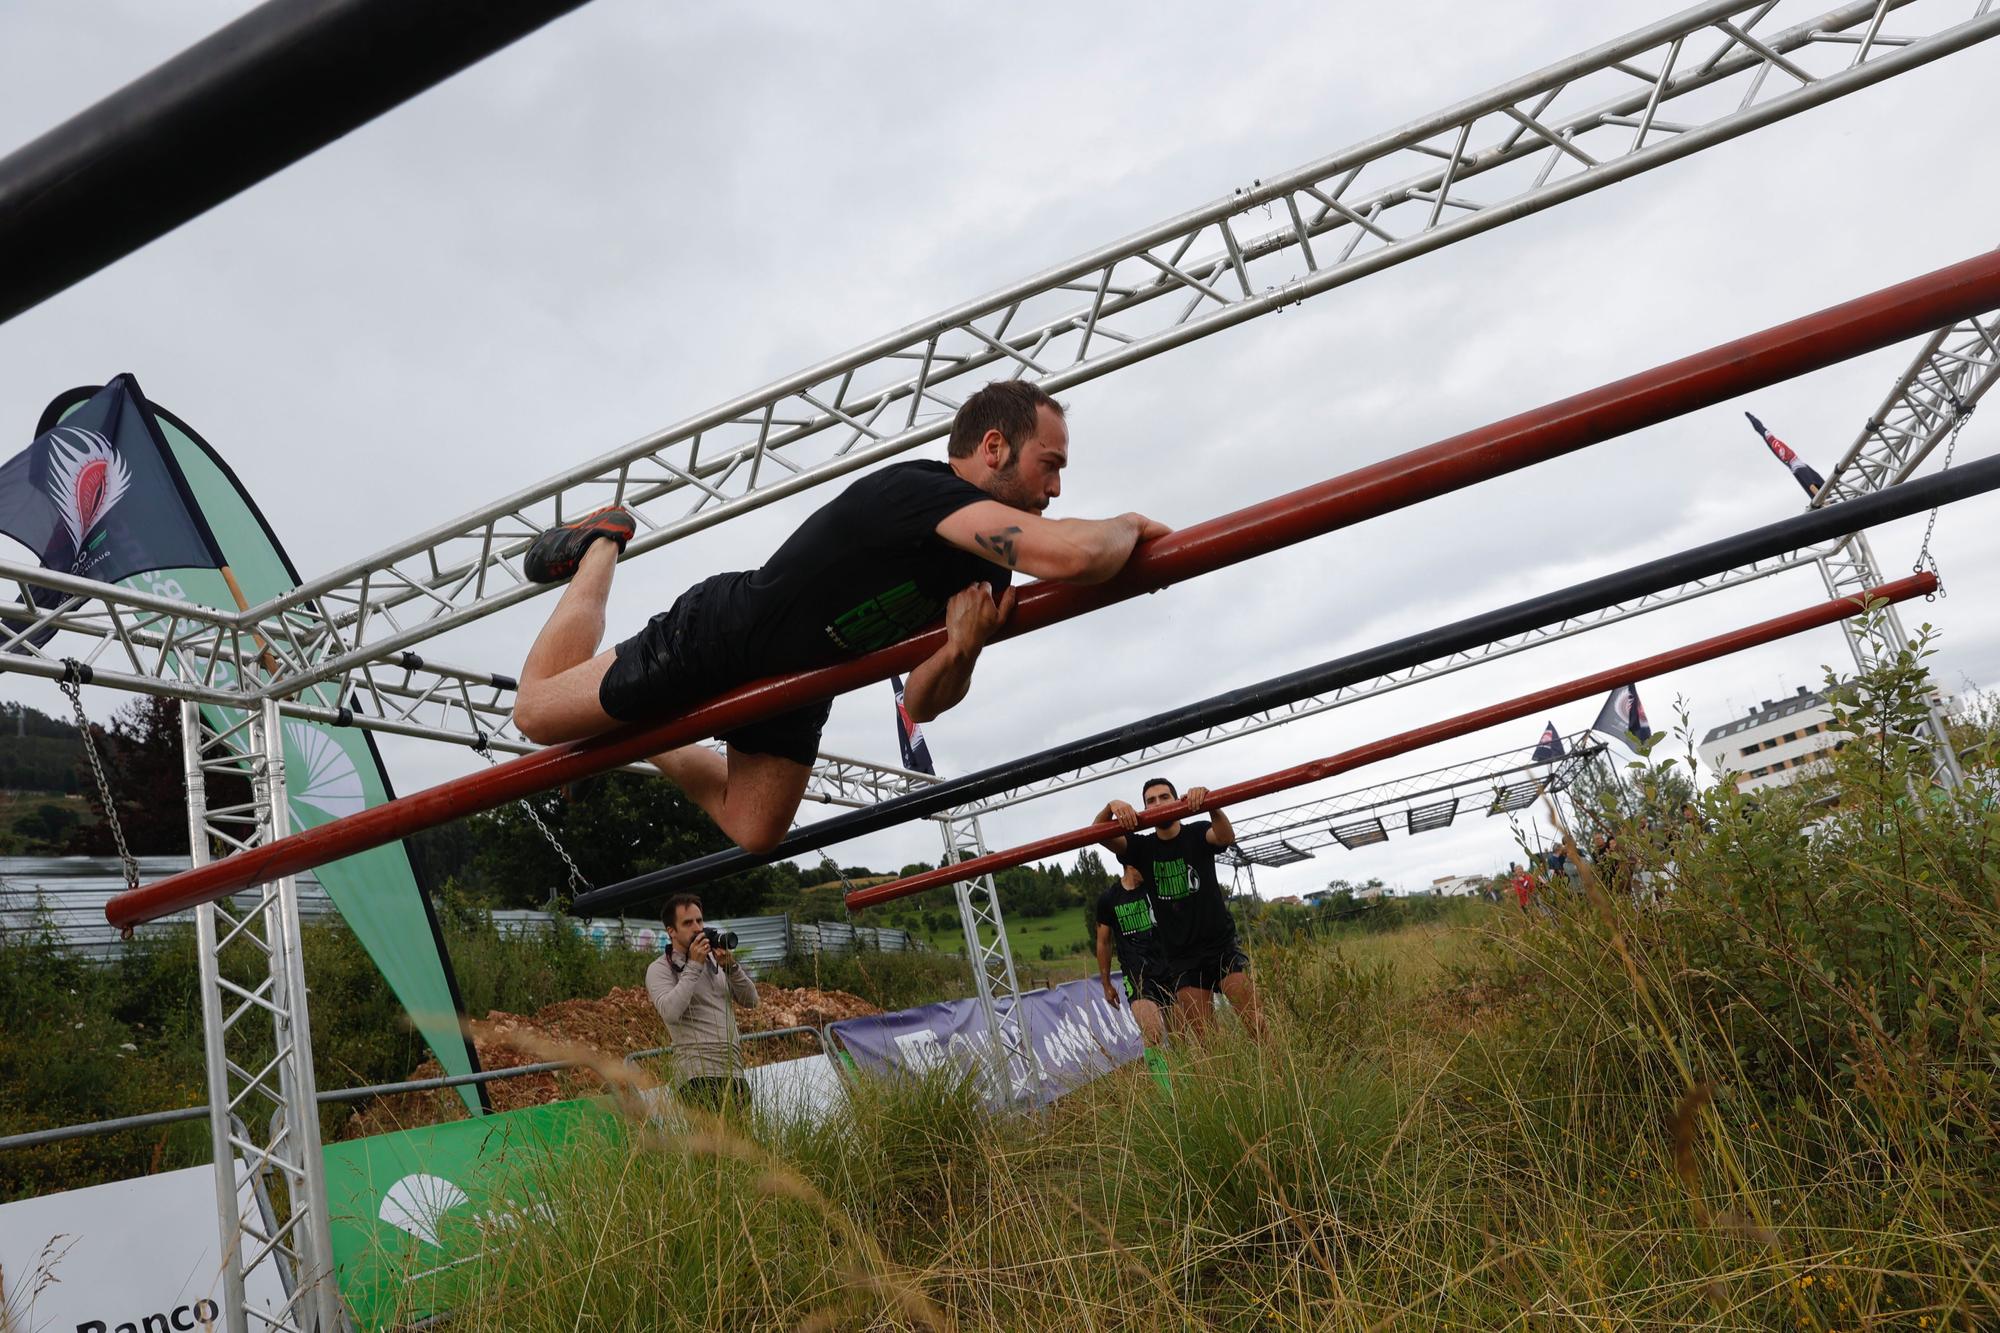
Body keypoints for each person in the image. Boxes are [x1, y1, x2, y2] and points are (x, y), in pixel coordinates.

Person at [512, 380, 1170, 854]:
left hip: (801, 686)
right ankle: (602, 542)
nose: (1055, 489)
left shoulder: (986, 571)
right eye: (1047, 465)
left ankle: (654, 736)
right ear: (994, 447)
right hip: (720, 638)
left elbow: (921, 700)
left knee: (755, 829)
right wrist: (1131, 523)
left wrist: (961, 652)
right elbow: (1071, 556)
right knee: (536, 713)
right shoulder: (922, 493)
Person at [1098, 777, 1265, 1041]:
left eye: (1164, 797)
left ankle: (1279, 1074)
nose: (1158, 803)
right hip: (1183, 958)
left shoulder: (1197, 832)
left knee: (1257, 1023)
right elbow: (1100, 832)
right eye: (1150, 801)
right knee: (1206, 1039)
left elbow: (1224, 835)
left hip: (1220, 946)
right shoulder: (1143, 848)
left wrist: (1211, 803)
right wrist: (1111, 807)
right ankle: (1224, 1083)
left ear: (1176, 801)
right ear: (1145, 810)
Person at [646, 893, 760, 1115]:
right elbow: (670, 1012)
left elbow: (752, 1001)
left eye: (699, 921)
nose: (697, 928)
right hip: (696, 1074)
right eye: (687, 923)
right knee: (712, 1148)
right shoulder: (660, 969)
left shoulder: (715, 962)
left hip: (733, 1072)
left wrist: (731, 967)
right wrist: (693, 966)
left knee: (743, 1148)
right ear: (671, 931)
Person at [1094, 863, 1170, 1046]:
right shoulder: (1109, 899)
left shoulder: (1157, 888)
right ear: (1129, 864)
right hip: (1137, 976)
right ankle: (1161, 1076)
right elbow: (1103, 942)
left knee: (1181, 1037)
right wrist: (1106, 984)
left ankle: (1182, 1074)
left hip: (1168, 969)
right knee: (1153, 1034)